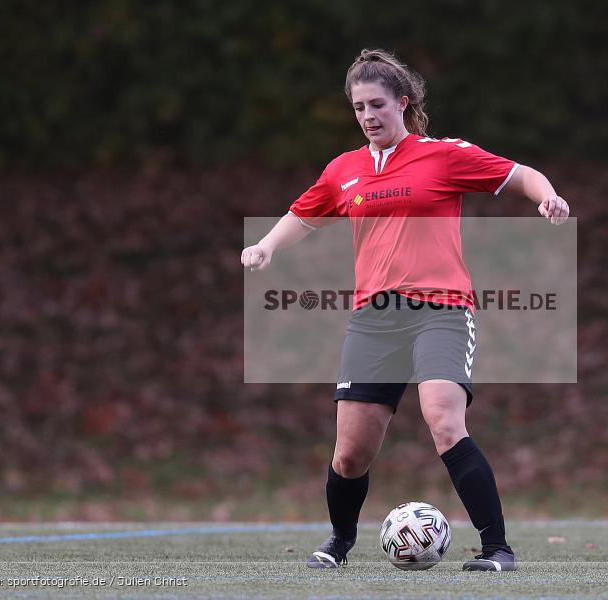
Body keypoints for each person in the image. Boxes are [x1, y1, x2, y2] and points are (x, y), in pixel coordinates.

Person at [241, 49, 569, 572]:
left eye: (377, 104)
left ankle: (497, 549)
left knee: (444, 420)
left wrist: (546, 197)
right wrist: (265, 246)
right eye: (359, 108)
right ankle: (339, 541)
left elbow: (519, 174)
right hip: (374, 320)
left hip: (441, 310)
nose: (368, 116)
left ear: (403, 102)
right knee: (351, 452)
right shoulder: (344, 170)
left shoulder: (444, 155)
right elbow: (303, 215)